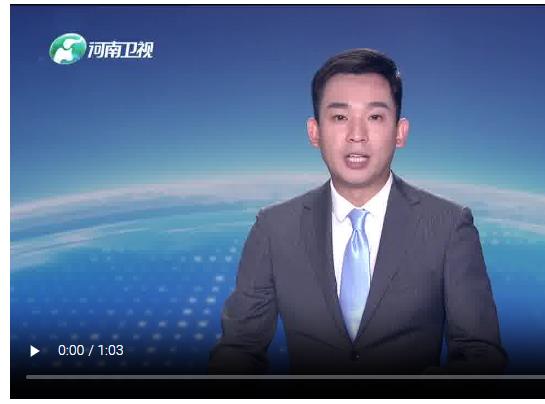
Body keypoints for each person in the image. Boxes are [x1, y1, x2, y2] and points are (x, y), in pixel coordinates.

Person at [209, 48, 507, 374]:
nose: (357, 135)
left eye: (375, 117)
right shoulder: (274, 228)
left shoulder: (448, 226)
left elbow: (481, 355)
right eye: (340, 117)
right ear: (314, 132)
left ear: (400, 132)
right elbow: (238, 349)